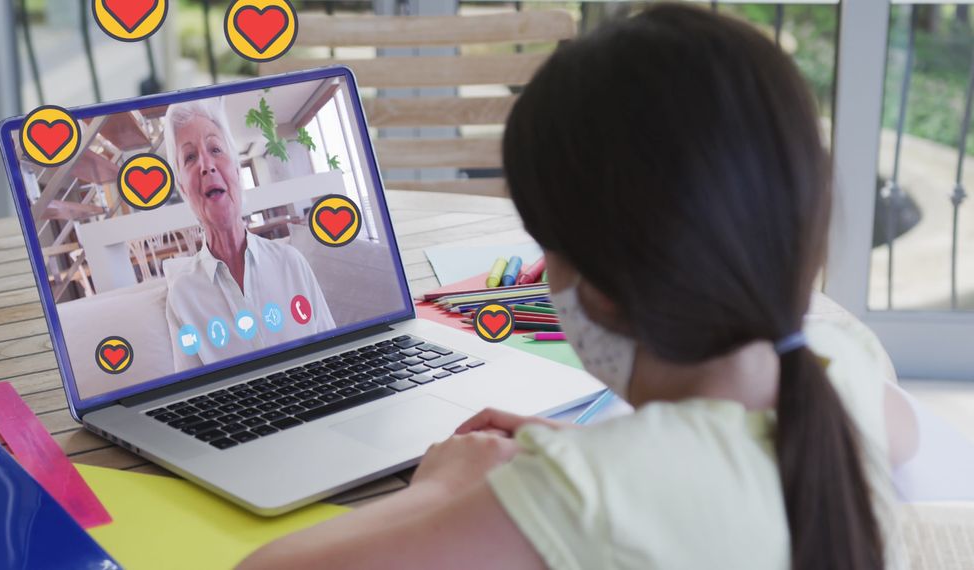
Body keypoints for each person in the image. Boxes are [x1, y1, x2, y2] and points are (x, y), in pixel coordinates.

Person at [238, 5, 917, 569]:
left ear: (600, 291)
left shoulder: (588, 497)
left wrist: (445, 486)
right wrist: (599, 450)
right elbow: (898, 430)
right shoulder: (840, 374)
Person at [161, 97, 335, 371]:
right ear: (183, 188)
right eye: (190, 157)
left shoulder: (291, 262)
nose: (206, 165)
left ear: (237, 171)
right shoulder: (182, 295)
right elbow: (189, 397)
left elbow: (333, 359)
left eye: (215, 149)